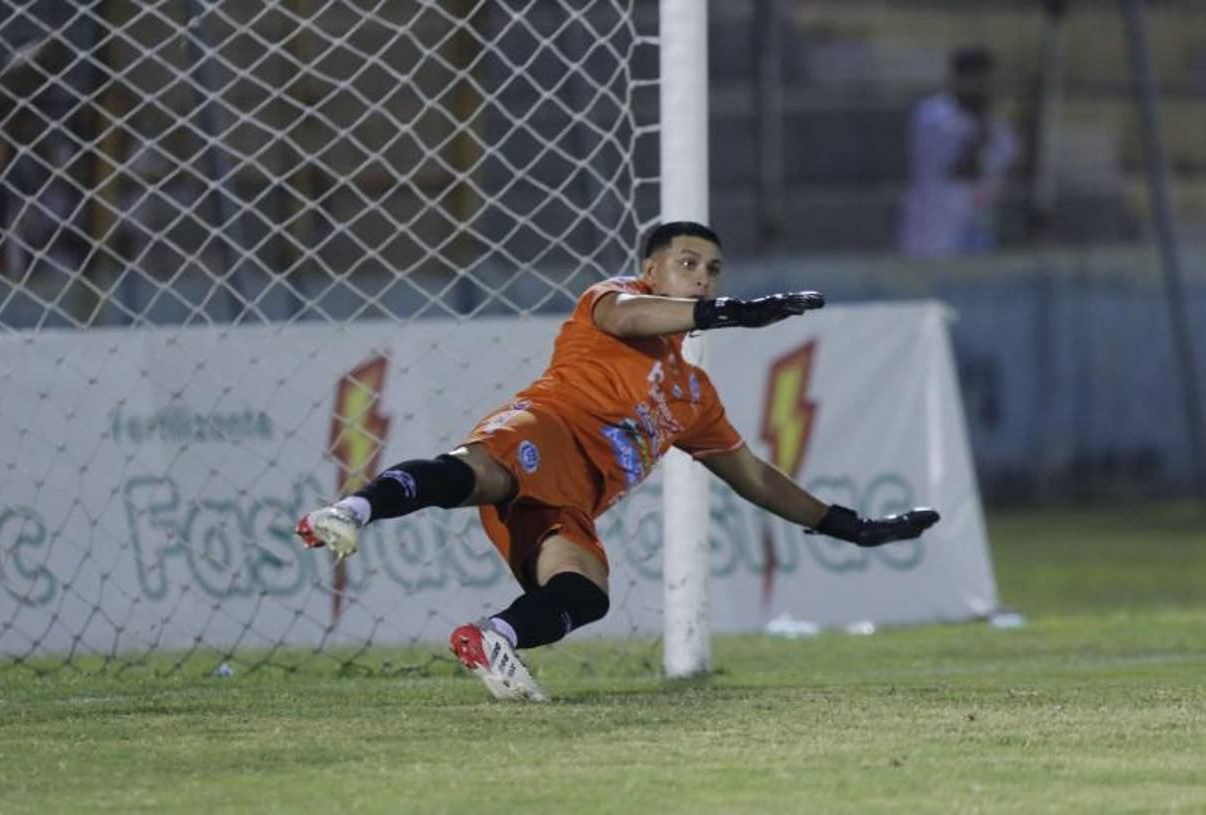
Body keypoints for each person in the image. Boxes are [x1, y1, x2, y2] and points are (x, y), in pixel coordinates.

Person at [296, 222, 940, 701]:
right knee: (481, 473)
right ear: (652, 271)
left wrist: (852, 526)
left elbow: (756, 478)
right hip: (545, 429)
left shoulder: (695, 397)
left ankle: (492, 637)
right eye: (688, 264)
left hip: (575, 497)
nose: (702, 277)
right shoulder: (608, 300)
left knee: (586, 593)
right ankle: (350, 509)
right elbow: (631, 316)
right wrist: (726, 314)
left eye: (714, 270)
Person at [897, 47, 1020, 257]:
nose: (983, 88)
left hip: (979, 235)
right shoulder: (934, 115)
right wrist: (982, 127)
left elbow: (1013, 164)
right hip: (932, 237)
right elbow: (961, 168)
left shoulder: (998, 126)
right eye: (976, 79)